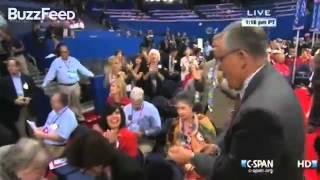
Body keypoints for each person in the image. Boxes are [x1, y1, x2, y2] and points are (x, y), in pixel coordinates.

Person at [168, 22, 305, 180]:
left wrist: (192, 157)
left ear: (242, 57)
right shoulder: (269, 81)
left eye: (221, 59)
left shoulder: (260, 111)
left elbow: (238, 172)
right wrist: (216, 147)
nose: (219, 68)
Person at [184, 33, 237, 131]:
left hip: (225, 119)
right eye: (213, 46)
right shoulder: (207, 65)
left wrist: (222, 82)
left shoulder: (235, 65)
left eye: (217, 47)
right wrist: (197, 81)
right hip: (207, 117)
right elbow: (201, 89)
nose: (214, 49)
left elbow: (238, 93)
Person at [167, 92, 216, 180]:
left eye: (183, 108)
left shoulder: (204, 122)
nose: (180, 112)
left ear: (191, 107)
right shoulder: (176, 127)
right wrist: (184, 164)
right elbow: (174, 149)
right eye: (178, 109)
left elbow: (214, 148)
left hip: (205, 167)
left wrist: (196, 160)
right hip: (186, 171)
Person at [65, 130, 144, 180]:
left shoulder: (130, 173)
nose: (82, 172)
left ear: (99, 160)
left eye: (85, 169)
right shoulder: (101, 168)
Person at [42, 45, 94, 121]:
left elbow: (82, 69)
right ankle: (69, 120)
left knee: (77, 103)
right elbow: (50, 74)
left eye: (66, 52)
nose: (64, 54)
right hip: (63, 87)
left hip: (75, 85)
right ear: (60, 53)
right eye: (62, 52)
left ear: (68, 52)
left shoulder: (74, 60)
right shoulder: (56, 62)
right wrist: (44, 84)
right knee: (66, 105)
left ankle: (80, 117)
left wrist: (91, 74)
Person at [33, 92, 78, 159]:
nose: (50, 102)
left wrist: (42, 135)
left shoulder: (68, 116)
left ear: (60, 104)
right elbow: (49, 127)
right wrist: (40, 129)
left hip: (58, 148)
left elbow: (61, 138)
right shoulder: (53, 112)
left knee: (36, 158)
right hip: (47, 142)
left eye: (53, 101)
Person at [0, 59, 35, 140]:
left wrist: (29, 98)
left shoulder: (27, 78)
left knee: (33, 132)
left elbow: (33, 91)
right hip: (16, 111)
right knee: (22, 134)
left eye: (12, 66)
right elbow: (3, 95)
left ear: (18, 67)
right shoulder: (3, 81)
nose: (10, 68)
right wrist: (13, 101)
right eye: (8, 66)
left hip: (29, 109)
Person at [123, 87, 161, 156]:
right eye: (134, 103)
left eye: (139, 103)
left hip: (145, 140)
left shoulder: (151, 109)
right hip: (129, 139)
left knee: (138, 156)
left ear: (143, 98)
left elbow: (158, 128)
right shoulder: (126, 109)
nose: (136, 106)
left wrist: (144, 133)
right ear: (130, 100)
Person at [308, 53, 320, 132]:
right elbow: (314, 81)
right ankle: (313, 123)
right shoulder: (318, 69)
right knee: (316, 105)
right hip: (318, 92)